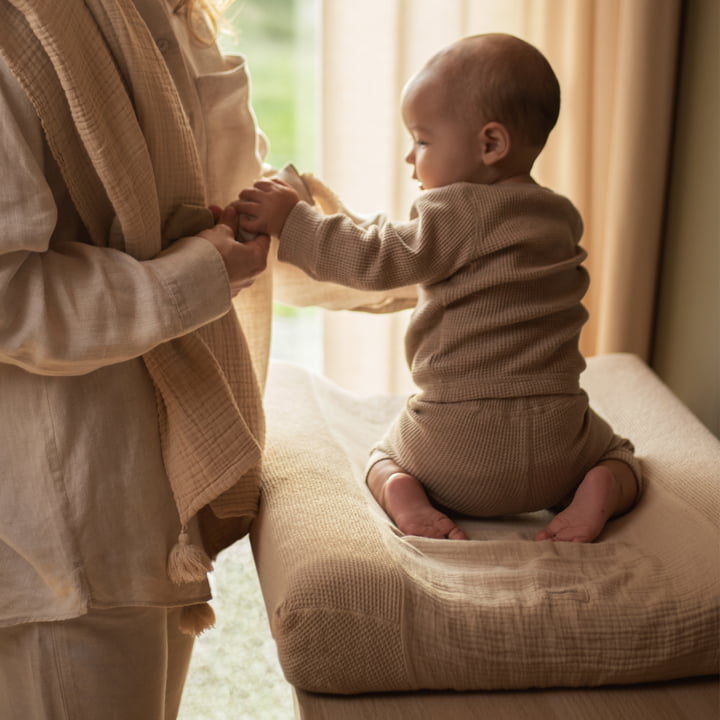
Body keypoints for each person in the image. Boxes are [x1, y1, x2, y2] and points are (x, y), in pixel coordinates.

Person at [235, 33, 642, 545]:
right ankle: (596, 494)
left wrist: (296, 222)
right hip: (559, 445)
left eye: (422, 141)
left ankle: (408, 499)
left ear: (490, 144)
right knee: (621, 457)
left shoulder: (454, 210)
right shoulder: (559, 217)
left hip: (455, 451)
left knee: (382, 458)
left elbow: (377, 256)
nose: (411, 158)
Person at [0, 1, 271, 717]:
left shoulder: (160, 11)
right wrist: (190, 281)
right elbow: (7, 295)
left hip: (152, 501)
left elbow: (230, 213)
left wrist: (443, 255)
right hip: (59, 526)